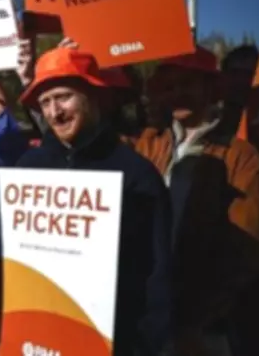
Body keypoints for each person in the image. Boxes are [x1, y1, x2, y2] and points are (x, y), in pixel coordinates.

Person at [14, 47, 172, 355]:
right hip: (35, 334)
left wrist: (144, 344)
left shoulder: (137, 175)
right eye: (45, 102)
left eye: (64, 97)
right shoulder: (27, 168)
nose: (54, 112)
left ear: (95, 97)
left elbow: (156, 274)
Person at [136, 48, 259, 355]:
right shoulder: (147, 142)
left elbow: (246, 250)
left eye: (188, 83)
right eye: (170, 84)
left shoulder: (240, 156)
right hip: (147, 313)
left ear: (210, 88)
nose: (177, 92)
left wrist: (197, 321)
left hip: (201, 327)